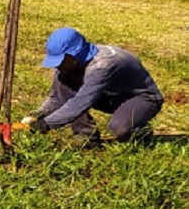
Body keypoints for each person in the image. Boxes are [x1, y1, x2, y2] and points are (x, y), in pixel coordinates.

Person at [28, 27, 164, 142]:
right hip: (109, 94)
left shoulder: (102, 66)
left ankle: (141, 131)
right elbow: (56, 99)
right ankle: (87, 136)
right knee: (64, 83)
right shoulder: (69, 66)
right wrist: (38, 115)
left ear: (74, 55)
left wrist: (46, 124)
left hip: (141, 98)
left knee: (120, 129)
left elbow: (80, 103)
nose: (57, 66)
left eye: (60, 61)